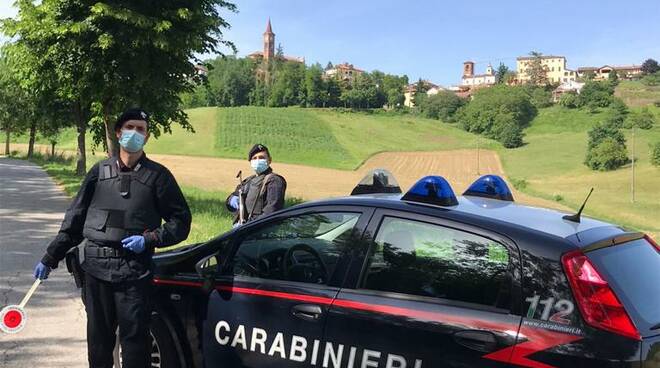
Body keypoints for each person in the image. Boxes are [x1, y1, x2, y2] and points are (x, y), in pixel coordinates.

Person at [33, 108, 192, 368]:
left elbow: (181, 222)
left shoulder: (158, 177)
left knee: (135, 347)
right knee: (98, 345)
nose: (135, 133)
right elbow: (75, 220)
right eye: (130, 127)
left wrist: (151, 238)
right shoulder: (99, 172)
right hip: (95, 271)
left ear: (147, 137)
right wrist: (50, 257)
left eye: (141, 129)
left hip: (134, 273)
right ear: (118, 133)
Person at [226, 144, 286, 225]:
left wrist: (249, 226)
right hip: (242, 228)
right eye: (254, 158)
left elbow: (271, 211)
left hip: (259, 230)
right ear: (250, 162)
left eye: (261, 158)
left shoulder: (274, 180)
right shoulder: (248, 181)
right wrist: (232, 200)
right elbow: (230, 199)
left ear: (270, 160)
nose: (258, 160)